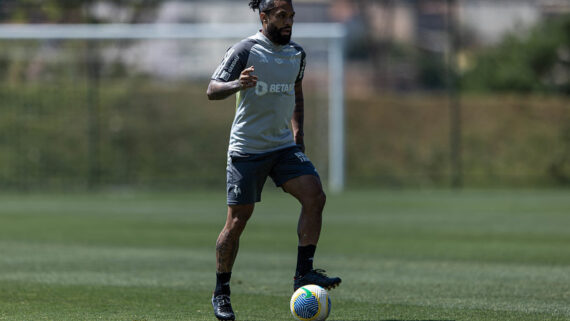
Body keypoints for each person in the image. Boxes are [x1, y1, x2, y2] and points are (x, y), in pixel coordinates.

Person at [206, 0, 341, 319]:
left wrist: (299, 132)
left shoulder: (297, 54)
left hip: (282, 147)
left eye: (291, 16)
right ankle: (221, 292)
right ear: (264, 16)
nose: (288, 22)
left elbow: (296, 92)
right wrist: (238, 83)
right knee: (237, 221)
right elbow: (211, 90)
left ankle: (303, 274)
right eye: (282, 16)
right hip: (247, 149)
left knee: (315, 196)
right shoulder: (244, 51)